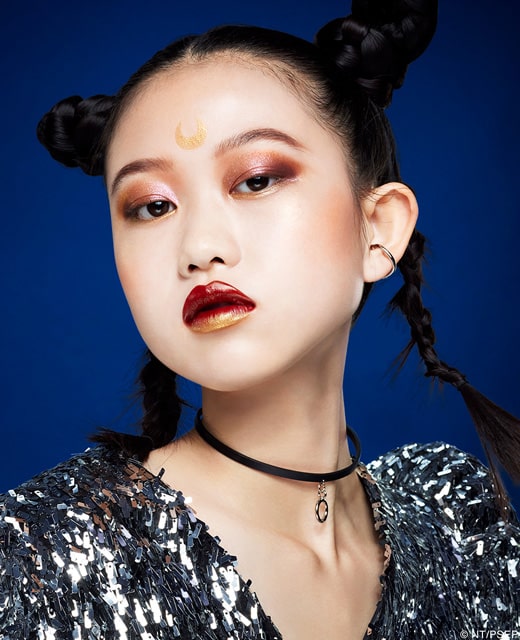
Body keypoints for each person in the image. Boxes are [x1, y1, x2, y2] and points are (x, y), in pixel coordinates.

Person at [1, 1, 519, 638]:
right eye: (152, 206)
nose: (199, 248)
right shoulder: (40, 562)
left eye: (255, 181)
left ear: (378, 228)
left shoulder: (458, 521)